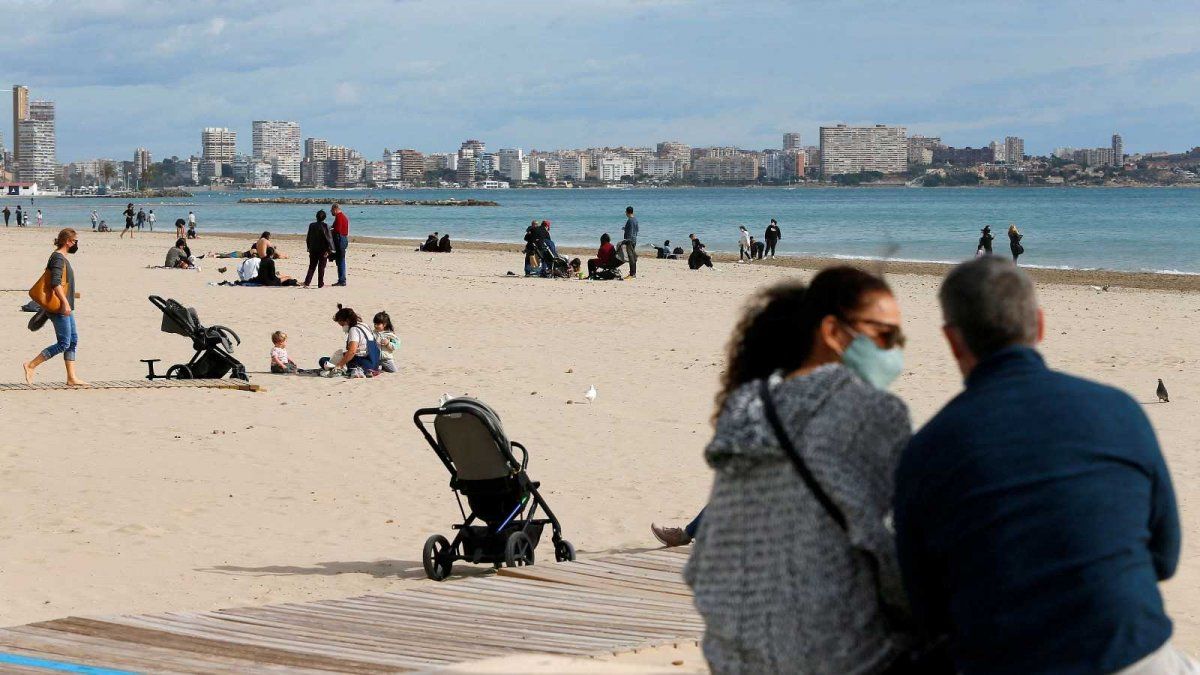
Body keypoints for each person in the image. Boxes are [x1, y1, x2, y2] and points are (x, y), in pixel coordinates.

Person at [894, 257, 1189, 675]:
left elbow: (926, 604)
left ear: (953, 341)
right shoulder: (1119, 411)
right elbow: (1165, 556)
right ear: (1040, 325)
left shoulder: (928, 450)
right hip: (1136, 656)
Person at [682, 267, 915, 673]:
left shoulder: (746, 406)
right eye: (885, 336)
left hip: (732, 652)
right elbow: (891, 561)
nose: (894, 351)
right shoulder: (874, 414)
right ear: (831, 332)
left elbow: (704, 567)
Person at [23, 229, 88, 386]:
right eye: (75, 241)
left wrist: (72, 296)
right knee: (64, 343)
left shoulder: (61, 258)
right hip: (60, 307)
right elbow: (56, 283)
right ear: (68, 241)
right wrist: (65, 303)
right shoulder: (58, 258)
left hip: (65, 305)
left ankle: (71, 378)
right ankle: (30, 365)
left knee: (73, 340)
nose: (76, 244)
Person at [322, 305, 378, 377]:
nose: (342, 327)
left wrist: (339, 365)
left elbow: (352, 351)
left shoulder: (353, 330)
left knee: (323, 360)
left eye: (342, 325)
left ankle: (341, 370)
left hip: (363, 362)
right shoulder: (364, 325)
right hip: (374, 362)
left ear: (347, 321)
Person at [304, 209, 335, 288]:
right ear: (324, 218)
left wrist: (308, 247)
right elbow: (329, 239)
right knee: (321, 267)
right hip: (323, 250)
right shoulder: (326, 226)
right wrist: (330, 250)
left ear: (316, 217)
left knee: (312, 266)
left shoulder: (312, 225)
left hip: (313, 249)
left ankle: (307, 282)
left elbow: (308, 237)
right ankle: (320, 284)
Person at [330, 203, 349, 286]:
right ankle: (341, 279)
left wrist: (329, 232)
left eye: (331, 210)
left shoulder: (339, 217)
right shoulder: (343, 217)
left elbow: (337, 230)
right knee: (341, 259)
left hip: (340, 239)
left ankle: (342, 280)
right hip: (344, 238)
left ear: (335, 209)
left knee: (340, 260)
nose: (331, 212)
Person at [622, 206, 638, 277]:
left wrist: (627, 240)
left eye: (625, 212)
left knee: (631, 257)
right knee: (632, 257)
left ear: (627, 212)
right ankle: (633, 273)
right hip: (634, 239)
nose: (625, 213)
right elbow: (636, 230)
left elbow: (631, 231)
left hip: (630, 240)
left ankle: (632, 274)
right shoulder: (635, 220)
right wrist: (625, 229)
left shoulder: (630, 220)